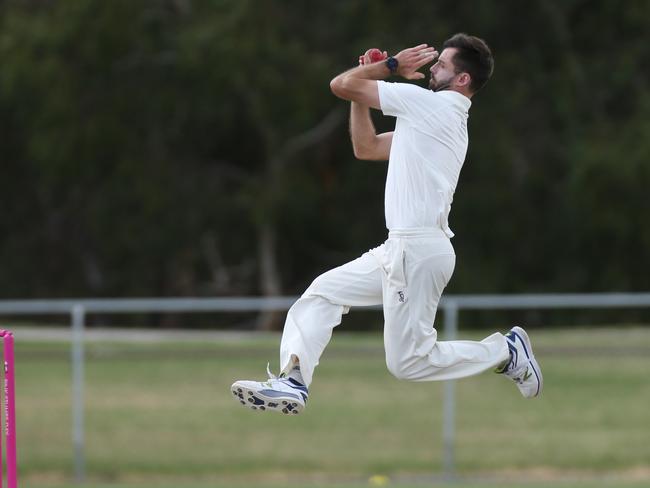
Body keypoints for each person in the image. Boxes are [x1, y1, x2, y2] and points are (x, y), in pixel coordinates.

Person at [231, 33, 542, 415]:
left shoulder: (434, 108)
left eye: (442, 64)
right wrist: (366, 79)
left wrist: (388, 66)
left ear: (463, 80)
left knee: (407, 363)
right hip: (401, 248)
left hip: (418, 249)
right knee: (323, 293)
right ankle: (292, 381)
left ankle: (505, 351)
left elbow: (339, 85)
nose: (432, 68)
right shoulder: (430, 118)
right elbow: (366, 147)